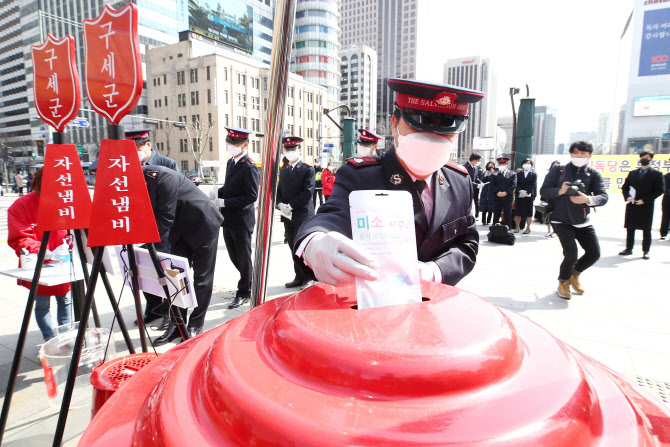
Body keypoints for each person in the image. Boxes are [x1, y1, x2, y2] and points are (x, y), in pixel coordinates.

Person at [294, 78, 483, 287]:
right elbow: (332, 215)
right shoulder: (361, 176)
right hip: (372, 305)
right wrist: (315, 240)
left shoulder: (459, 181)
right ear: (395, 125)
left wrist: (434, 271)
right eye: (419, 126)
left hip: (436, 305)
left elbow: (467, 242)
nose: (432, 138)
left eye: (445, 130)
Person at [142, 165, 223, 345]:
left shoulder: (163, 177)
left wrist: (145, 244)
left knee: (201, 278)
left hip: (204, 224)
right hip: (180, 230)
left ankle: (196, 324)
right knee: (176, 278)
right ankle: (176, 325)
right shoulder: (135, 182)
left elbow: (165, 217)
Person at [7, 168, 72, 341]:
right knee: (42, 304)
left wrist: (68, 246)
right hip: (38, 264)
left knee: (65, 300)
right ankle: (49, 340)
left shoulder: (65, 201)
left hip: (62, 262)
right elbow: (19, 237)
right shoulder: (21, 205)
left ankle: (66, 340)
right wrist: (43, 251)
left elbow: (76, 229)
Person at [540, 141, 608, 300]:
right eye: (576, 153)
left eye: (583, 154)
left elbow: (603, 197)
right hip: (560, 219)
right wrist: (560, 190)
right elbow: (544, 191)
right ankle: (563, 283)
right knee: (571, 253)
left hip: (582, 219)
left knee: (594, 253)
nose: (579, 156)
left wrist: (588, 199)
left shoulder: (593, 174)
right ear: (571, 154)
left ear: (590, 155)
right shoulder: (559, 170)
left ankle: (574, 275)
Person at [126, 129, 179, 328]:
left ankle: (169, 311)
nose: (135, 152)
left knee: (164, 270)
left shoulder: (167, 164)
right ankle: (153, 307)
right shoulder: (129, 165)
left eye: (138, 148)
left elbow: (175, 198)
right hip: (139, 225)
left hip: (163, 227)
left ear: (148, 145)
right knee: (144, 269)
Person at [210, 127, 260, 309]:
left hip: (242, 220)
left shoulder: (249, 166)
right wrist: (217, 193)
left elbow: (251, 196)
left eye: (235, 144)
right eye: (229, 143)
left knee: (243, 257)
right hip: (229, 218)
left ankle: (244, 291)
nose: (231, 146)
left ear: (245, 145)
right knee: (234, 256)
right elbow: (230, 187)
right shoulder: (232, 162)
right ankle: (251, 281)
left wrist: (225, 202)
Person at [276, 136, 315, 288]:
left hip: (302, 214)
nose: (290, 152)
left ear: (299, 150)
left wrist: (291, 205)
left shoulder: (307, 169)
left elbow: (307, 192)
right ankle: (298, 277)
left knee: (303, 248)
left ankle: (308, 277)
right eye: (287, 149)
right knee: (292, 246)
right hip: (287, 215)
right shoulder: (284, 170)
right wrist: (279, 204)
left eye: (293, 149)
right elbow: (279, 191)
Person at [619, 150, 664, 260]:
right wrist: (627, 197)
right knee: (630, 228)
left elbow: (659, 190)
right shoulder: (633, 173)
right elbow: (625, 187)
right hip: (632, 204)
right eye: (642, 157)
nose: (644, 159)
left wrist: (645, 200)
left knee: (646, 229)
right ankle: (629, 248)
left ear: (651, 160)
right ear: (639, 159)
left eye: (647, 157)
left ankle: (646, 251)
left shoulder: (657, 174)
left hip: (646, 205)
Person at [490, 157, 516, 226]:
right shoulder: (494, 174)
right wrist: (497, 192)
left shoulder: (512, 174)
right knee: (496, 215)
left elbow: (513, 185)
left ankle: (508, 230)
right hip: (497, 197)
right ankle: (494, 231)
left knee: (508, 215)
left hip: (507, 197)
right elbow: (492, 185)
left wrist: (506, 192)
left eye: (504, 164)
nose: (502, 165)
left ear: (507, 165)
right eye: (500, 164)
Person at [514, 158, 537, 234]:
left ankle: (528, 228)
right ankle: (517, 227)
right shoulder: (518, 174)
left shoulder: (533, 174)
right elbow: (516, 183)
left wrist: (527, 192)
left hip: (529, 195)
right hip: (520, 195)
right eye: (525, 163)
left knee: (528, 213)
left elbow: (533, 184)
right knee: (518, 212)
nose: (527, 164)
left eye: (529, 163)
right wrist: (520, 191)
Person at [464, 153, 483, 219]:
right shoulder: (465, 167)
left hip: (475, 188)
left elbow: (476, 177)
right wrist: (476, 185)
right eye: (478, 161)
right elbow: (466, 180)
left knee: (476, 202)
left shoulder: (476, 167)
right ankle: (467, 216)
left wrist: (480, 182)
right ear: (474, 160)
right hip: (467, 189)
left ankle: (476, 215)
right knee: (468, 204)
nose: (479, 162)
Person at [479, 161, 496, 226]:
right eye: (489, 166)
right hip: (485, 192)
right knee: (484, 207)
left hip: (492, 192)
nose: (490, 167)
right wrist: (485, 176)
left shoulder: (495, 173)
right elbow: (481, 181)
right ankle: (483, 221)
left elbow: (496, 180)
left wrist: (493, 173)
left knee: (491, 207)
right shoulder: (484, 172)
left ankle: (488, 220)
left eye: (492, 166)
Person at [660, 170, 670, 240]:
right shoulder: (667, 176)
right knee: (666, 217)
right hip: (668, 199)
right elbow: (664, 188)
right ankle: (663, 233)